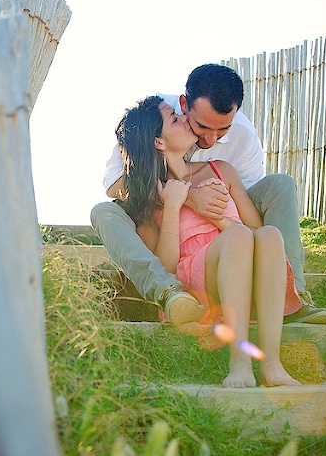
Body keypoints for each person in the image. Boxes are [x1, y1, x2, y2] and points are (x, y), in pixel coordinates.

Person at [91, 64, 326, 326]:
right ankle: (167, 292)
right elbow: (116, 183)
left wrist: (220, 208)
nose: (210, 138)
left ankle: (293, 295)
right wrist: (188, 198)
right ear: (184, 105)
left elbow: (247, 204)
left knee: (281, 185)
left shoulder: (243, 137)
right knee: (104, 211)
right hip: (171, 222)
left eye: (222, 130)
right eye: (203, 126)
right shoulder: (153, 118)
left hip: (226, 227)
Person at [115, 95, 301, 387]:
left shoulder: (220, 170)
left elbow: (256, 231)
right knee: (238, 235)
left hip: (246, 275)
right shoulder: (151, 199)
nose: (184, 121)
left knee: (269, 234)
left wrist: (218, 218)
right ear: (158, 142)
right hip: (201, 285)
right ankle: (239, 364)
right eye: (174, 120)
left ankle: (271, 364)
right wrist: (174, 207)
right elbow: (166, 266)